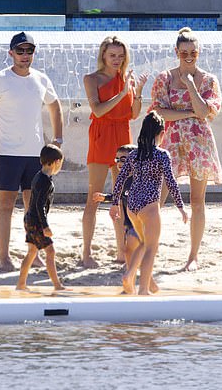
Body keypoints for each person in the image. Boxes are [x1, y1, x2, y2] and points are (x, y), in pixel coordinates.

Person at [0, 31, 64, 272]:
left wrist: (58, 139)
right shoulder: (0, 79)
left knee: (35, 207)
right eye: (20, 51)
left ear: (34, 53)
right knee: (5, 206)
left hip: (36, 154)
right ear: (11, 53)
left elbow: (55, 106)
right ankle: (4, 257)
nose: (24, 55)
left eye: (29, 50)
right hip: (8, 154)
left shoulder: (41, 79)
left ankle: (35, 252)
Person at [149, 27, 222, 271]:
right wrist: (190, 112)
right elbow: (158, 111)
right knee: (157, 196)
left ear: (199, 52)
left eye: (193, 52)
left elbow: (206, 113)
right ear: (176, 52)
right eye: (184, 53)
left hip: (199, 143)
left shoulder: (209, 80)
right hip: (170, 141)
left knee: (197, 200)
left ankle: (193, 256)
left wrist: (191, 85)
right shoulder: (164, 78)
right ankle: (149, 248)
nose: (189, 56)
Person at [81, 35, 148, 268]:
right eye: (112, 55)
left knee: (123, 196)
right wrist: (120, 94)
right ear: (103, 56)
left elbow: (133, 113)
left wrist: (137, 91)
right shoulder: (91, 79)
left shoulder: (126, 78)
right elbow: (98, 111)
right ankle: (86, 253)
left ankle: (122, 251)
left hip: (123, 135)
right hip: (101, 135)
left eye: (120, 56)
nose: (117, 60)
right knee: (94, 197)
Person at [110, 111, 188, 295]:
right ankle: (144, 289)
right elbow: (171, 181)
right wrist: (181, 207)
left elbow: (120, 179)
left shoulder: (133, 155)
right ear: (161, 134)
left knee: (143, 243)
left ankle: (129, 275)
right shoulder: (162, 155)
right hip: (150, 206)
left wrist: (115, 203)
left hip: (132, 206)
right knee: (152, 248)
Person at [16, 144, 67, 291]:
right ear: (56, 162)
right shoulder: (44, 181)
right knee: (50, 251)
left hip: (29, 219)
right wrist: (45, 226)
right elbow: (40, 205)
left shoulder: (39, 176)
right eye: (60, 163)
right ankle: (57, 285)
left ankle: (21, 284)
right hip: (36, 221)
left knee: (32, 252)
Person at [92, 144, 142, 269]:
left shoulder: (138, 180)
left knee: (135, 245)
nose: (119, 163)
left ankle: (136, 268)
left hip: (139, 222)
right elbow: (119, 195)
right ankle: (132, 266)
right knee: (128, 247)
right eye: (117, 159)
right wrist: (105, 197)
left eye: (123, 159)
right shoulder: (124, 179)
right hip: (129, 222)